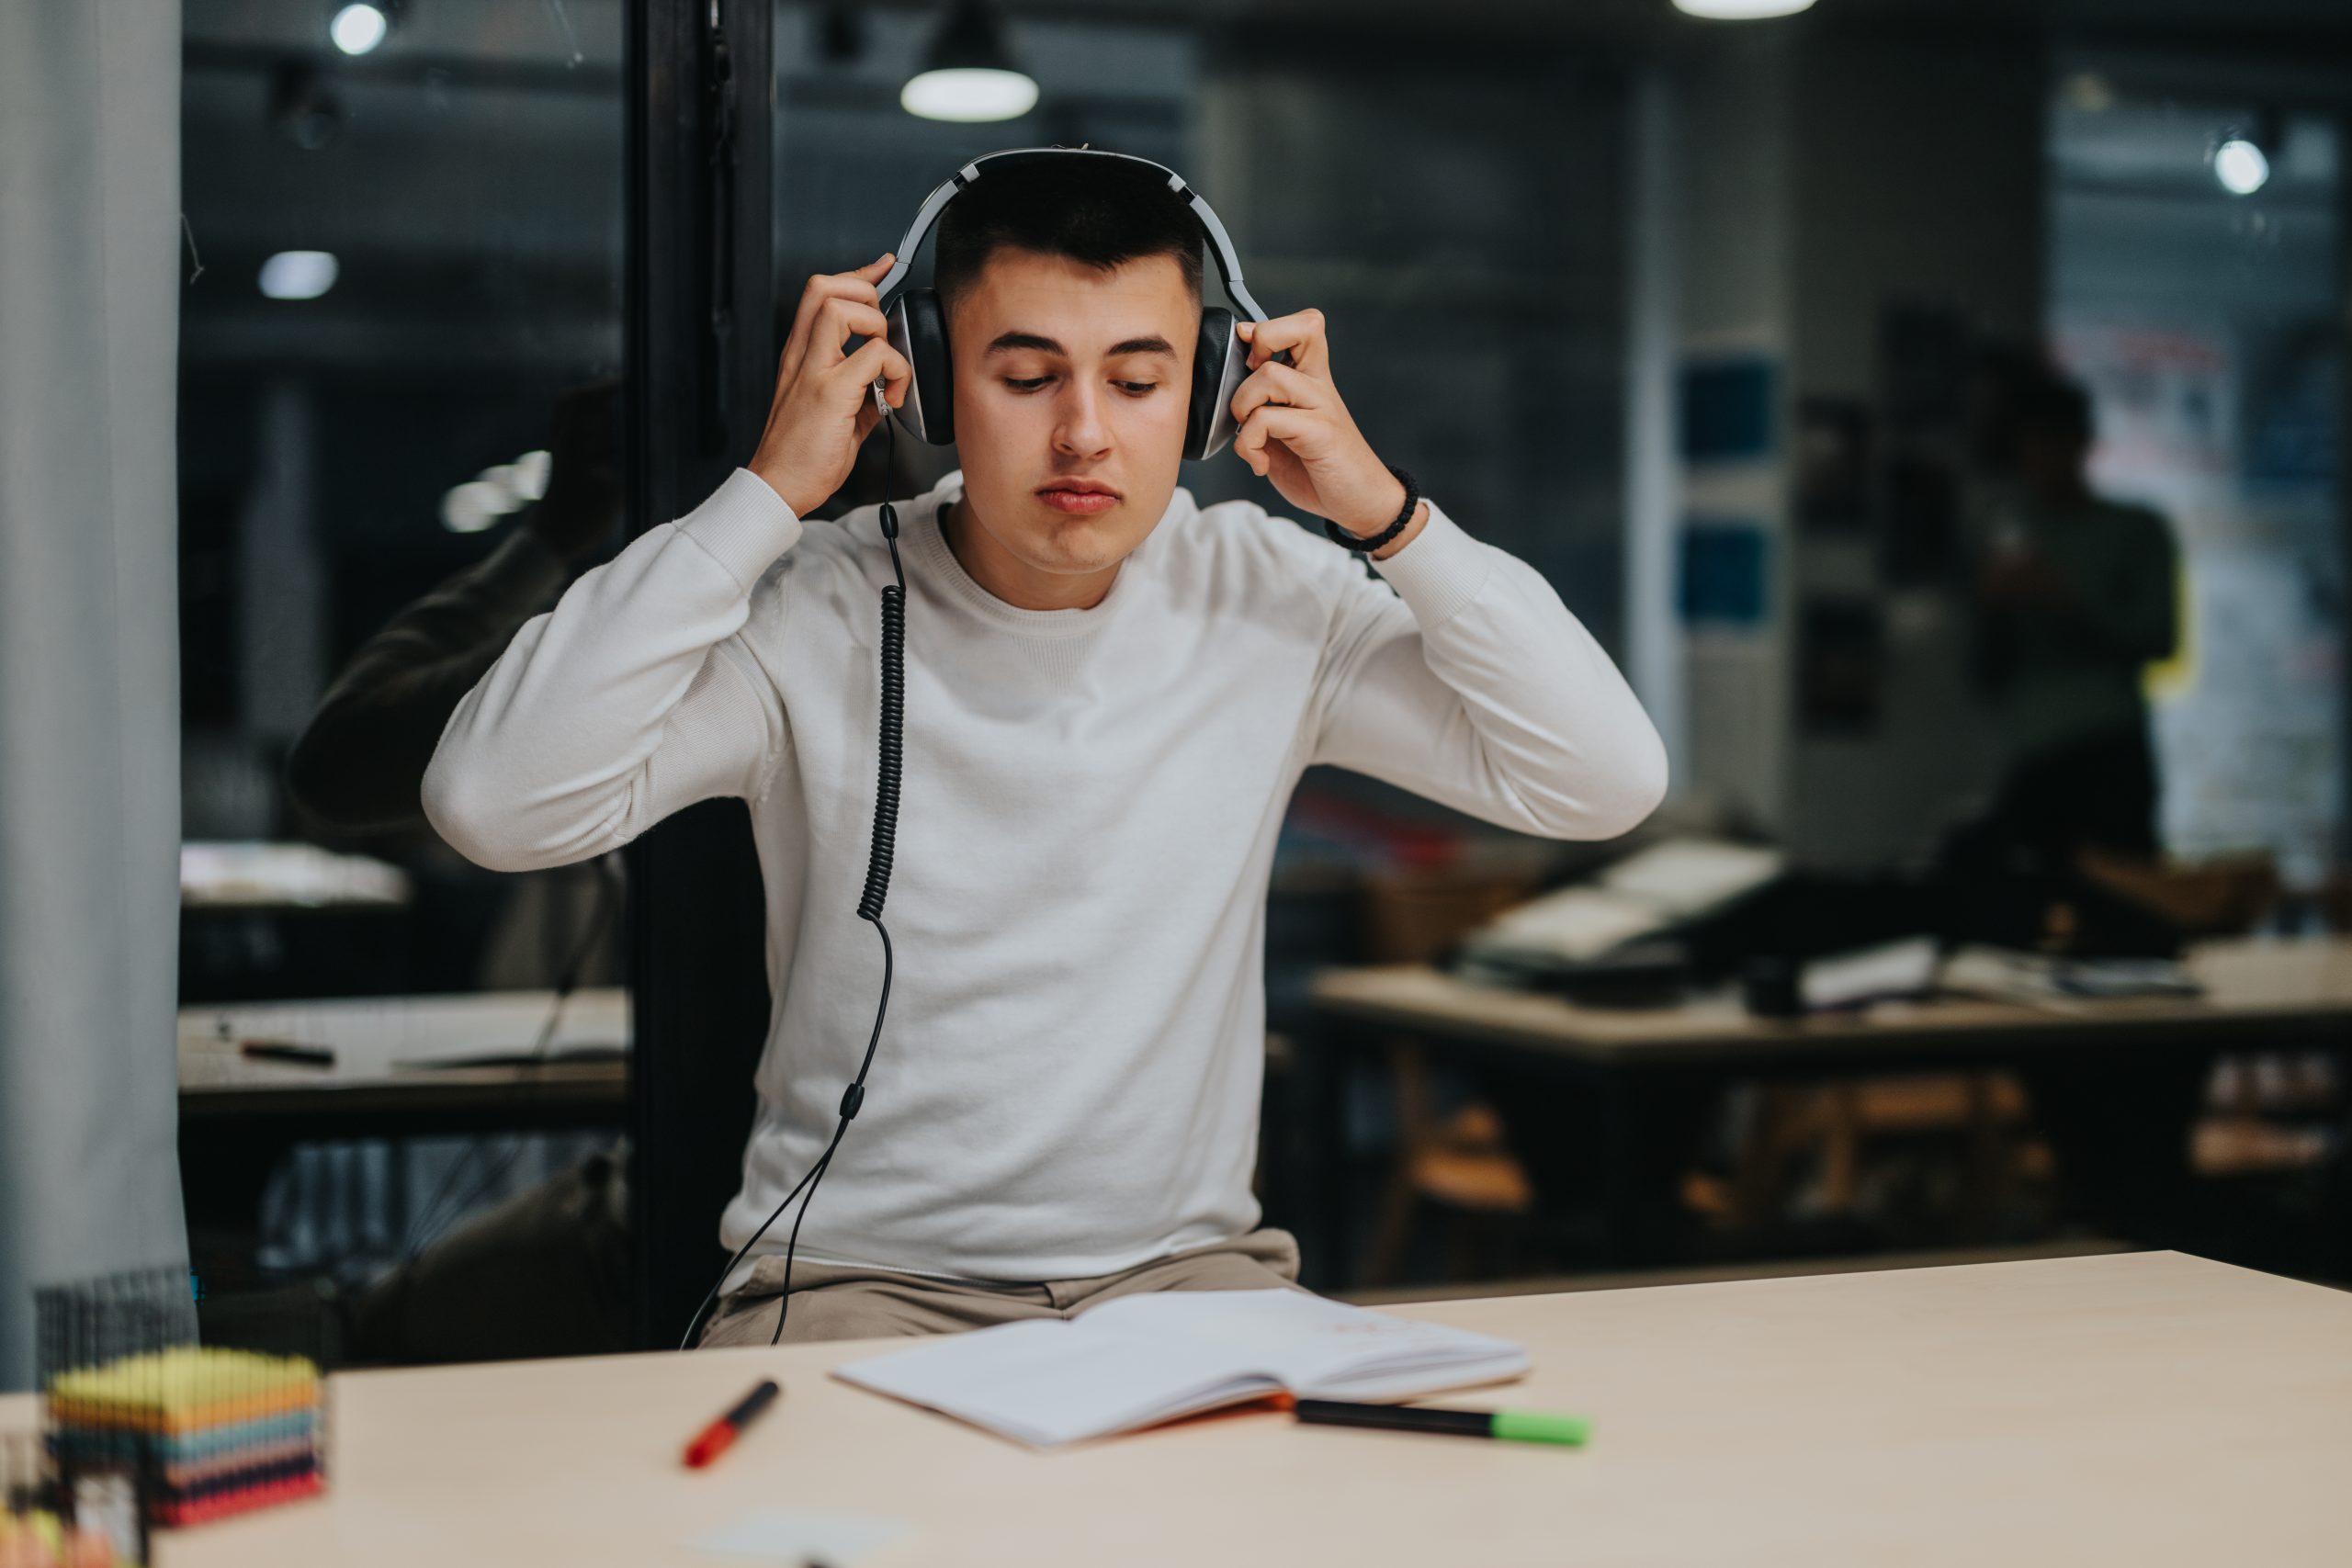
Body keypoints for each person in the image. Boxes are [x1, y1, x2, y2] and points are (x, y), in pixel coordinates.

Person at [423, 156, 1667, 1347]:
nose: (1084, 433)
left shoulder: (1271, 596)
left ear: (1211, 389)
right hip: (861, 1281)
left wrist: (1391, 518)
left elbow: (1604, 779)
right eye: (1027, 377)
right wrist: (764, 497)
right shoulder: (814, 604)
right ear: (924, 374)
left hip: (1191, 1278)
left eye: (1138, 380)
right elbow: (491, 800)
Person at [286, 382, 636, 1362]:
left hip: (722, 1202)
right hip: (798, 1192)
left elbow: (338, 759)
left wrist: (553, 540)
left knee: (381, 1330)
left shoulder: (663, 649)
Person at [1970, 369, 2178, 864]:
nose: (2038, 457)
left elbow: (2160, 639)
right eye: (2027, 443)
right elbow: (1987, 672)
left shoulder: (2135, 528)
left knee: (2125, 899)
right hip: (2033, 751)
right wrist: (1990, 609)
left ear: (2081, 442)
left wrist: (2067, 600)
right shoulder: (2008, 533)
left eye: (2050, 440)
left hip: (2110, 749)